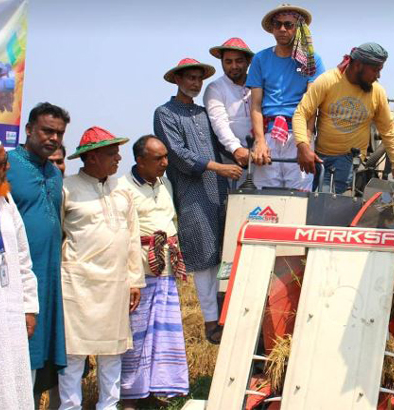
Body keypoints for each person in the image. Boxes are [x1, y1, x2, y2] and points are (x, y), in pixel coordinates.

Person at [154, 58, 242, 344]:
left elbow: (224, 145)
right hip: (191, 191)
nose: (194, 83)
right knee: (203, 256)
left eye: (198, 78)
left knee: (225, 251)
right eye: (189, 78)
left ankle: (226, 316)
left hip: (219, 189)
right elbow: (178, 155)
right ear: (177, 80)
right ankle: (210, 321)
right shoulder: (165, 113)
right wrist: (218, 167)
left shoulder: (205, 113)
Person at [59, 126, 145, 409]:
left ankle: (108, 406)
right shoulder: (67, 188)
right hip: (77, 283)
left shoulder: (122, 188)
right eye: (112, 153)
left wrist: (135, 281)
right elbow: (56, 235)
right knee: (73, 356)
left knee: (112, 354)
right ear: (91, 157)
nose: (119, 158)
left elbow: (133, 236)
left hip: (115, 285)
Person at [118, 136, 189, 407]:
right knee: (136, 333)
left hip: (166, 267)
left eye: (165, 157)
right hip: (140, 271)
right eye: (158, 158)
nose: (165, 163)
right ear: (140, 160)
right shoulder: (122, 187)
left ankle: (155, 390)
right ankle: (130, 396)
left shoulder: (164, 182)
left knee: (162, 330)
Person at [6, 102, 69, 404]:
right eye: (47, 131)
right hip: (13, 285)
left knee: (40, 361)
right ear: (29, 129)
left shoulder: (55, 174)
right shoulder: (6, 165)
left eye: (59, 133)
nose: (54, 138)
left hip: (48, 284)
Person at [292, 42, 394, 193]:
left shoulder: (377, 92)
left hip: (349, 159)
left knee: (328, 200)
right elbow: (301, 113)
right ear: (358, 65)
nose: (378, 76)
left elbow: (388, 130)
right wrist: (302, 146)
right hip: (319, 159)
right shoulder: (328, 81)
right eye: (374, 70)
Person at [248, 4, 324, 190]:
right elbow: (255, 105)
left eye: (288, 25)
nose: (282, 29)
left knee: (299, 195)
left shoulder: (312, 61)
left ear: (298, 28)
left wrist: (305, 141)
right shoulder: (260, 59)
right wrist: (260, 142)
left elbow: (311, 105)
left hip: (298, 133)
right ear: (272, 28)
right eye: (278, 24)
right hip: (269, 132)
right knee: (264, 197)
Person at [0, 128, 39, 409]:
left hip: (10, 314)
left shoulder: (4, 200)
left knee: (11, 384)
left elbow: (22, 256)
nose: (7, 168)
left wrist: (29, 307)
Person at [204, 37, 255, 185]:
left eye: (239, 61)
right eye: (228, 62)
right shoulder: (215, 88)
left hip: (262, 157)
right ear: (222, 62)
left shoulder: (258, 84)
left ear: (248, 62)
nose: (234, 66)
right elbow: (219, 123)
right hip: (232, 160)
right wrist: (236, 149)